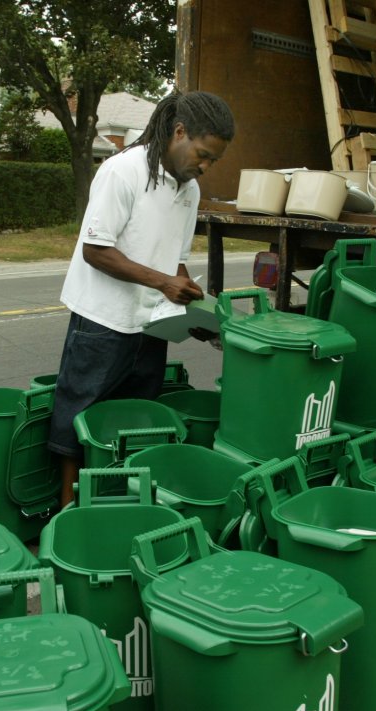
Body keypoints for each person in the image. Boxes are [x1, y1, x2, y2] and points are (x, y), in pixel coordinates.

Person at [47, 90, 235, 505]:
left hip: (152, 322)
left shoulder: (189, 191)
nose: (204, 167)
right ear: (179, 132)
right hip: (102, 320)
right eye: (202, 154)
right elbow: (95, 250)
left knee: (136, 420)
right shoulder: (123, 171)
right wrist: (164, 283)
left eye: (213, 161)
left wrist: (195, 308)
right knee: (78, 416)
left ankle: (120, 502)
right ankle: (67, 511)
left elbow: (178, 260)